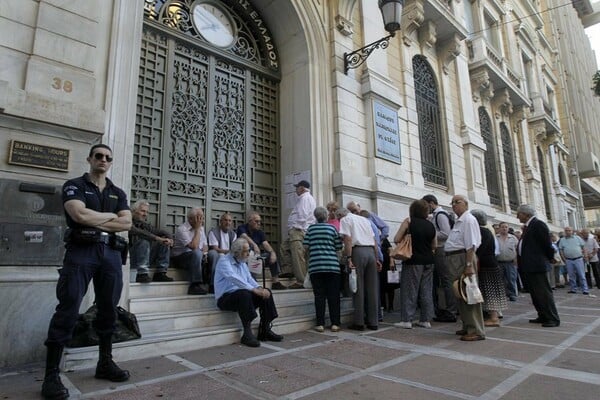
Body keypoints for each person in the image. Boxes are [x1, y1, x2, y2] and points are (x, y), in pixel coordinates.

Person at [42, 144, 132, 400]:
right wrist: (108, 218)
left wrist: (94, 216)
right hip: (82, 251)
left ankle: (105, 362)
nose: (103, 160)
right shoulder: (75, 185)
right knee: (68, 307)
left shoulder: (118, 192)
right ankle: (51, 375)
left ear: (111, 162)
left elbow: (127, 222)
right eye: (99, 156)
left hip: (111, 254)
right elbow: (77, 214)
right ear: (90, 159)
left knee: (108, 310)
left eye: (108, 158)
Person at [214, 238, 283, 347]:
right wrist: (253, 289)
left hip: (241, 296)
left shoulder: (242, 263)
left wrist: (259, 288)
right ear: (237, 252)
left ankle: (265, 329)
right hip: (225, 298)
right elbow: (234, 278)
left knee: (266, 293)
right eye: (246, 251)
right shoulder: (224, 261)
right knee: (244, 293)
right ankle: (247, 334)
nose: (248, 253)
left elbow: (249, 279)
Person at [444, 195, 484, 341]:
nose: (454, 205)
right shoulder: (459, 221)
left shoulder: (468, 220)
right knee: (460, 293)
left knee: (469, 294)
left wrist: (468, 265)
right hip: (455, 259)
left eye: (457, 202)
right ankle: (467, 325)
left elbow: (471, 245)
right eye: (452, 202)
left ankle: (476, 330)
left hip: (463, 258)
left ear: (466, 204)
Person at [393, 200, 436, 329]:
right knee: (426, 290)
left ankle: (407, 320)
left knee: (409, 290)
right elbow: (435, 245)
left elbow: (396, 239)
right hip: (429, 260)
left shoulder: (409, 222)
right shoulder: (430, 225)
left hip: (413, 260)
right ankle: (425, 319)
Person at [337, 208, 381, 331]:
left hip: (358, 252)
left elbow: (348, 239)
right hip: (371, 252)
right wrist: (376, 258)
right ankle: (373, 321)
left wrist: (349, 257)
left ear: (340, 215)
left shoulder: (345, 219)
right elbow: (374, 241)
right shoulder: (364, 220)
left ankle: (359, 321)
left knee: (358, 287)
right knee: (372, 288)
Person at [517, 205, 560, 327]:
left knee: (543, 293)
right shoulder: (528, 226)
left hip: (537, 265)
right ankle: (542, 315)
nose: (517, 216)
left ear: (527, 214)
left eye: (519, 213)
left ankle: (552, 318)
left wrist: (550, 257)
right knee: (535, 293)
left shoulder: (538, 224)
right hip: (529, 266)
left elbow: (547, 244)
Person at [303, 207, 344, 332]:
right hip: (332, 266)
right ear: (326, 216)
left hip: (316, 267)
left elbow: (305, 246)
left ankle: (320, 323)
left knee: (319, 296)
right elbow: (338, 247)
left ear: (315, 216)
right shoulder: (332, 228)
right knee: (333, 296)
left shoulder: (310, 229)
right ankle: (335, 323)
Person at [422, 194, 457, 323]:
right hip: (439, 250)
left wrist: (430, 234)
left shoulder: (440, 215)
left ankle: (451, 310)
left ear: (431, 203)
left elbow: (446, 233)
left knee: (446, 279)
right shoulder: (436, 215)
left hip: (442, 250)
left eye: (426, 205)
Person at [472, 210, 507, 327]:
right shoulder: (487, 231)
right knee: (489, 290)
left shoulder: (482, 232)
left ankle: (494, 318)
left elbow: (479, 250)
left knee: (490, 291)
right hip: (490, 263)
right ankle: (492, 316)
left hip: (487, 265)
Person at [236, 211, 286, 290]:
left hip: (256, 257)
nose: (259, 223)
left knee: (271, 256)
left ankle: (275, 282)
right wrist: (254, 245)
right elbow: (243, 236)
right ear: (250, 221)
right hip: (244, 258)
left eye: (260, 221)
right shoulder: (242, 228)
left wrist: (272, 252)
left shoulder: (260, 232)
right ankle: (253, 284)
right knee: (249, 258)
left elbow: (265, 244)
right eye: (256, 221)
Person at [280, 180, 316, 288]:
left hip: (298, 231)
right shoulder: (306, 198)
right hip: (297, 231)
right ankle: (289, 270)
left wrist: (295, 227)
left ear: (302, 188)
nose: (296, 190)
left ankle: (301, 281)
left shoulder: (305, 198)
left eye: (297, 187)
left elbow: (302, 215)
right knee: (284, 248)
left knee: (297, 255)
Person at [129, 200, 174, 283]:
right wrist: (157, 238)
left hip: (145, 258)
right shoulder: (128, 221)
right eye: (142, 211)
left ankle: (160, 273)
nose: (145, 214)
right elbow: (140, 232)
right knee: (144, 241)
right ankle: (142, 274)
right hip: (129, 259)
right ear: (134, 211)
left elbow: (161, 232)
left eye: (147, 212)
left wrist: (170, 239)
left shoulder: (144, 224)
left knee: (164, 242)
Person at [171, 208, 209, 295]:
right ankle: (195, 285)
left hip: (196, 256)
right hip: (180, 258)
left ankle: (211, 285)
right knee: (197, 253)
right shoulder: (182, 229)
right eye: (199, 217)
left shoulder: (201, 229)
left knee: (212, 255)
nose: (201, 220)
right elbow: (194, 247)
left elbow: (205, 246)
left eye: (202, 217)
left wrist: (204, 254)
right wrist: (197, 230)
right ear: (190, 218)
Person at [207, 213, 237, 289]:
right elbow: (215, 248)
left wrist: (231, 253)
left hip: (228, 255)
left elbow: (234, 249)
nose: (228, 223)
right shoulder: (213, 232)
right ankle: (212, 284)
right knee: (214, 254)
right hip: (217, 254)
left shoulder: (233, 234)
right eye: (225, 220)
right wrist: (228, 252)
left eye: (230, 221)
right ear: (221, 221)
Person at [559, 227, 589, 295]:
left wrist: (586, 255)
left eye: (569, 230)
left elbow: (583, 247)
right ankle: (573, 289)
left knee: (581, 275)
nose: (568, 232)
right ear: (564, 231)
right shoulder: (562, 240)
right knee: (571, 275)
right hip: (568, 260)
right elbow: (561, 250)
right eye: (566, 231)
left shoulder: (577, 238)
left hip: (578, 259)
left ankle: (585, 289)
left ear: (572, 231)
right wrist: (564, 259)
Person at [496, 222, 519, 301]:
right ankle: (501, 295)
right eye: (502, 227)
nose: (504, 228)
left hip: (511, 262)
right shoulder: (495, 238)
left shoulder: (513, 238)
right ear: (499, 228)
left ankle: (512, 294)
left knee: (511, 279)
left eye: (506, 227)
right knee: (499, 279)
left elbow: (517, 249)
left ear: (508, 229)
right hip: (499, 262)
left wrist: (516, 260)